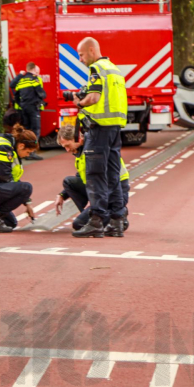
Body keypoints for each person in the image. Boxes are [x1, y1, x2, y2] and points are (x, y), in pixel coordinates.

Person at [70, 37, 128, 238]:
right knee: (113, 175)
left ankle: (96, 220)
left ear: (92, 50)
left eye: (81, 54)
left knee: (95, 176)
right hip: (114, 129)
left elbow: (93, 98)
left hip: (99, 129)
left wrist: (80, 103)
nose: (80, 59)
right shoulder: (114, 69)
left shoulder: (96, 70)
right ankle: (117, 221)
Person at [55, 125, 130, 235]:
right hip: (101, 188)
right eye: (64, 147)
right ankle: (95, 217)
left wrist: (96, 202)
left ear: (78, 138)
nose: (67, 150)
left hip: (114, 192)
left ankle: (115, 216)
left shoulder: (93, 150)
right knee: (69, 182)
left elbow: (107, 182)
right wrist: (62, 195)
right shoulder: (82, 150)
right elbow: (82, 176)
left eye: (67, 145)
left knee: (78, 224)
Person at [13, 62, 46, 161]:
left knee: (26, 131)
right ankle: (32, 152)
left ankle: (25, 151)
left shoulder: (21, 80)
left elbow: (16, 95)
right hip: (33, 108)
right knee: (35, 131)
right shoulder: (35, 79)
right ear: (34, 70)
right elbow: (42, 94)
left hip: (23, 109)